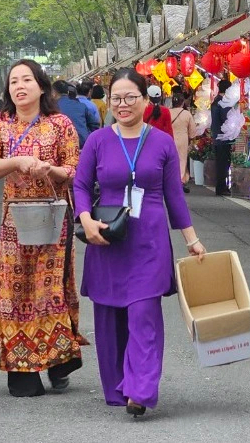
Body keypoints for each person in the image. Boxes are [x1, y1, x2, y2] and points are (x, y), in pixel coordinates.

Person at [74, 68, 206, 417]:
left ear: (146, 101)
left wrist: (191, 240)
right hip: (107, 236)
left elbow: (174, 197)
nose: (123, 104)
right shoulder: (98, 141)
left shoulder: (161, 142)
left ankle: (140, 390)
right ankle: (118, 385)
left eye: (131, 97)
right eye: (116, 98)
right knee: (109, 314)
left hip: (149, 241)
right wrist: (85, 219)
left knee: (144, 313)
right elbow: (81, 186)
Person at [0, 59, 87, 398]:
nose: (19, 86)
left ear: (42, 86)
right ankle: (22, 369)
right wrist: (16, 162)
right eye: (13, 81)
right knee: (13, 293)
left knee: (51, 289)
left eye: (26, 79)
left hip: (55, 218)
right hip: (14, 221)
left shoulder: (60, 124)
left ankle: (58, 363)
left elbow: (75, 169)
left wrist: (50, 171)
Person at [54, 79, 99, 147]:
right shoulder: (81, 106)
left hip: (61, 147)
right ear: (68, 92)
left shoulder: (51, 108)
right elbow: (95, 124)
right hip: (82, 146)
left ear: (54, 92)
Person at [210, 80, 234, 196]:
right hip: (223, 137)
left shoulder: (215, 102)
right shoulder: (222, 103)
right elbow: (226, 119)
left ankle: (221, 187)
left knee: (220, 163)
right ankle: (221, 188)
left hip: (217, 136)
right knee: (223, 164)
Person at [169, 90, 195, 193]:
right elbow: (192, 131)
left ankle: (170, 180)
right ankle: (180, 181)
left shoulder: (168, 112)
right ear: (182, 102)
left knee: (170, 160)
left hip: (170, 138)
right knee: (182, 160)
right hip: (183, 138)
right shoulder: (187, 114)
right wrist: (192, 138)